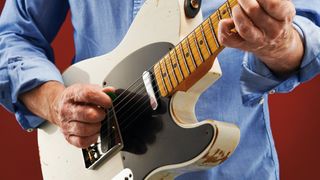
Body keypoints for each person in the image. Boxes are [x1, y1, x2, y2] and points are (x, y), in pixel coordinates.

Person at [0, 0, 319, 179]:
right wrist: (55, 102)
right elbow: (11, 38)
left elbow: (307, 30)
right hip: (97, 164)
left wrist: (281, 43)